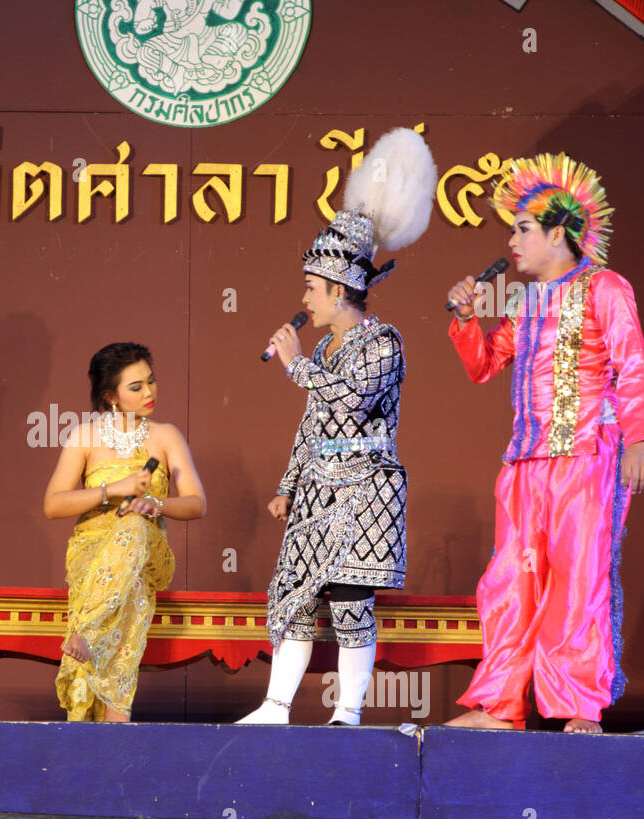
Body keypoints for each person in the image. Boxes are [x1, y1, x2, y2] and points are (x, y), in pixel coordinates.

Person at [444, 153, 644, 734]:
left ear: (559, 234)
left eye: (522, 229)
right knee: (511, 579)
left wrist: (638, 438)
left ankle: (578, 705)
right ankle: (498, 704)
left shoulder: (605, 287)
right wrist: (466, 320)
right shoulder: (526, 302)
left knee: (577, 578)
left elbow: (632, 363)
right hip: (524, 462)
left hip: (586, 456)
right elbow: (484, 365)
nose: (512, 241)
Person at [239, 128, 436, 726]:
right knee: (293, 600)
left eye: (311, 288)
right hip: (318, 488)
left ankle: (347, 712)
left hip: (368, 488)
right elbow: (314, 423)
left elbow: (352, 403)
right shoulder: (323, 349)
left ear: (339, 290)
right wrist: (288, 485)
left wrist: (296, 364)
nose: (304, 297)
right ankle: (276, 706)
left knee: (351, 602)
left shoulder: (383, 341)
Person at [44, 343, 206, 721]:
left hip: (149, 551)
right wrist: (112, 490)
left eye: (151, 381)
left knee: (133, 525)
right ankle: (114, 729)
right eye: (136, 387)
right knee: (130, 597)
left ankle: (86, 631)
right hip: (93, 553)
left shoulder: (166, 436)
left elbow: (196, 503)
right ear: (110, 396)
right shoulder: (84, 437)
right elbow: (53, 505)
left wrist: (156, 504)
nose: (149, 392)